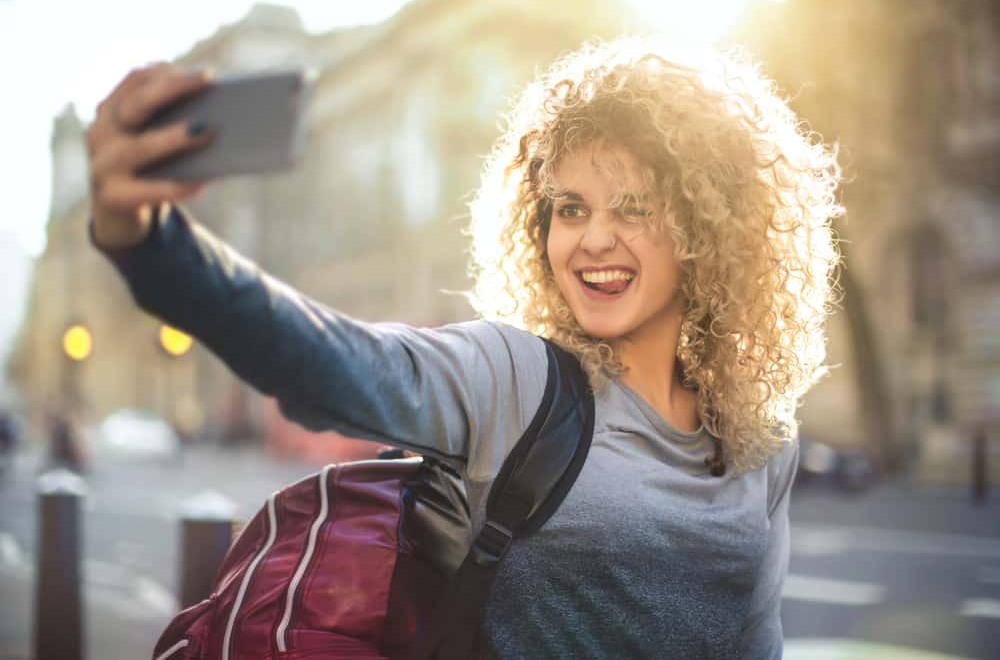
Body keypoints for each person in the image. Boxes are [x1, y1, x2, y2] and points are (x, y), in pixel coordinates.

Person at [86, 37, 842, 658]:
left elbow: (755, 643)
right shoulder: (516, 379)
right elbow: (321, 358)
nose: (592, 239)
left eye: (634, 207)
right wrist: (152, 246)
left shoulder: (762, 442)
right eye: (569, 208)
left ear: (707, 231)